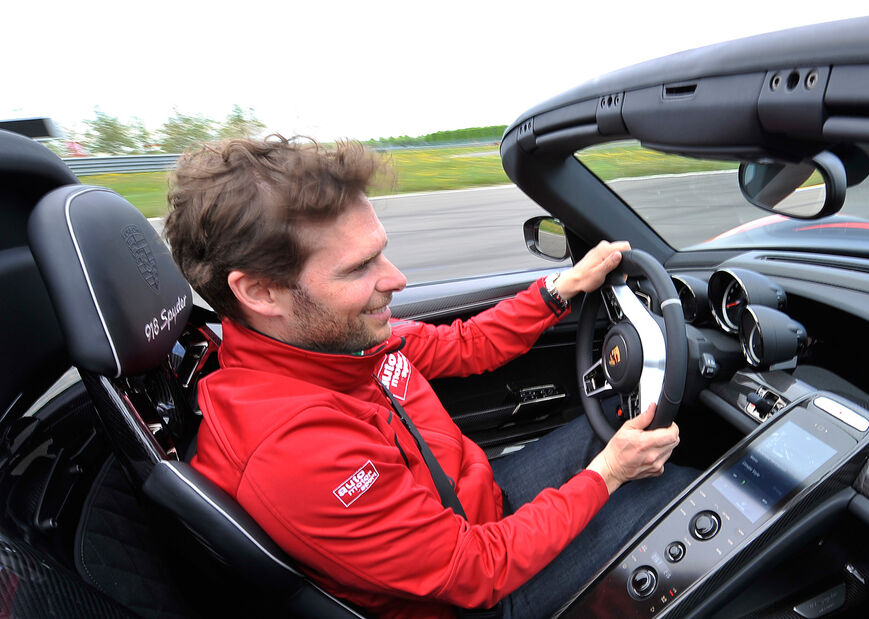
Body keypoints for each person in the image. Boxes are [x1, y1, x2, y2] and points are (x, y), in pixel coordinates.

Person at [164, 136, 695, 618]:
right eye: (358, 268)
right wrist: (609, 473)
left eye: (382, 253)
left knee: (631, 423)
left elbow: (467, 345)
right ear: (259, 292)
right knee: (690, 503)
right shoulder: (291, 446)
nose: (395, 279)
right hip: (480, 597)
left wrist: (562, 287)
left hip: (484, 503)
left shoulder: (337, 342)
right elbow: (477, 572)